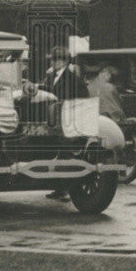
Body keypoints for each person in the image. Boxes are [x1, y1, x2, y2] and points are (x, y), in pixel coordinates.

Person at [44, 46, 90, 201]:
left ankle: (64, 188)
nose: (53, 62)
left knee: (65, 152)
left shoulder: (73, 79)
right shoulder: (51, 77)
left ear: (63, 61)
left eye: (56, 59)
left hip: (68, 118)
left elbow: (84, 98)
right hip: (53, 119)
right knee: (58, 151)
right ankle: (59, 187)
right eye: (52, 59)